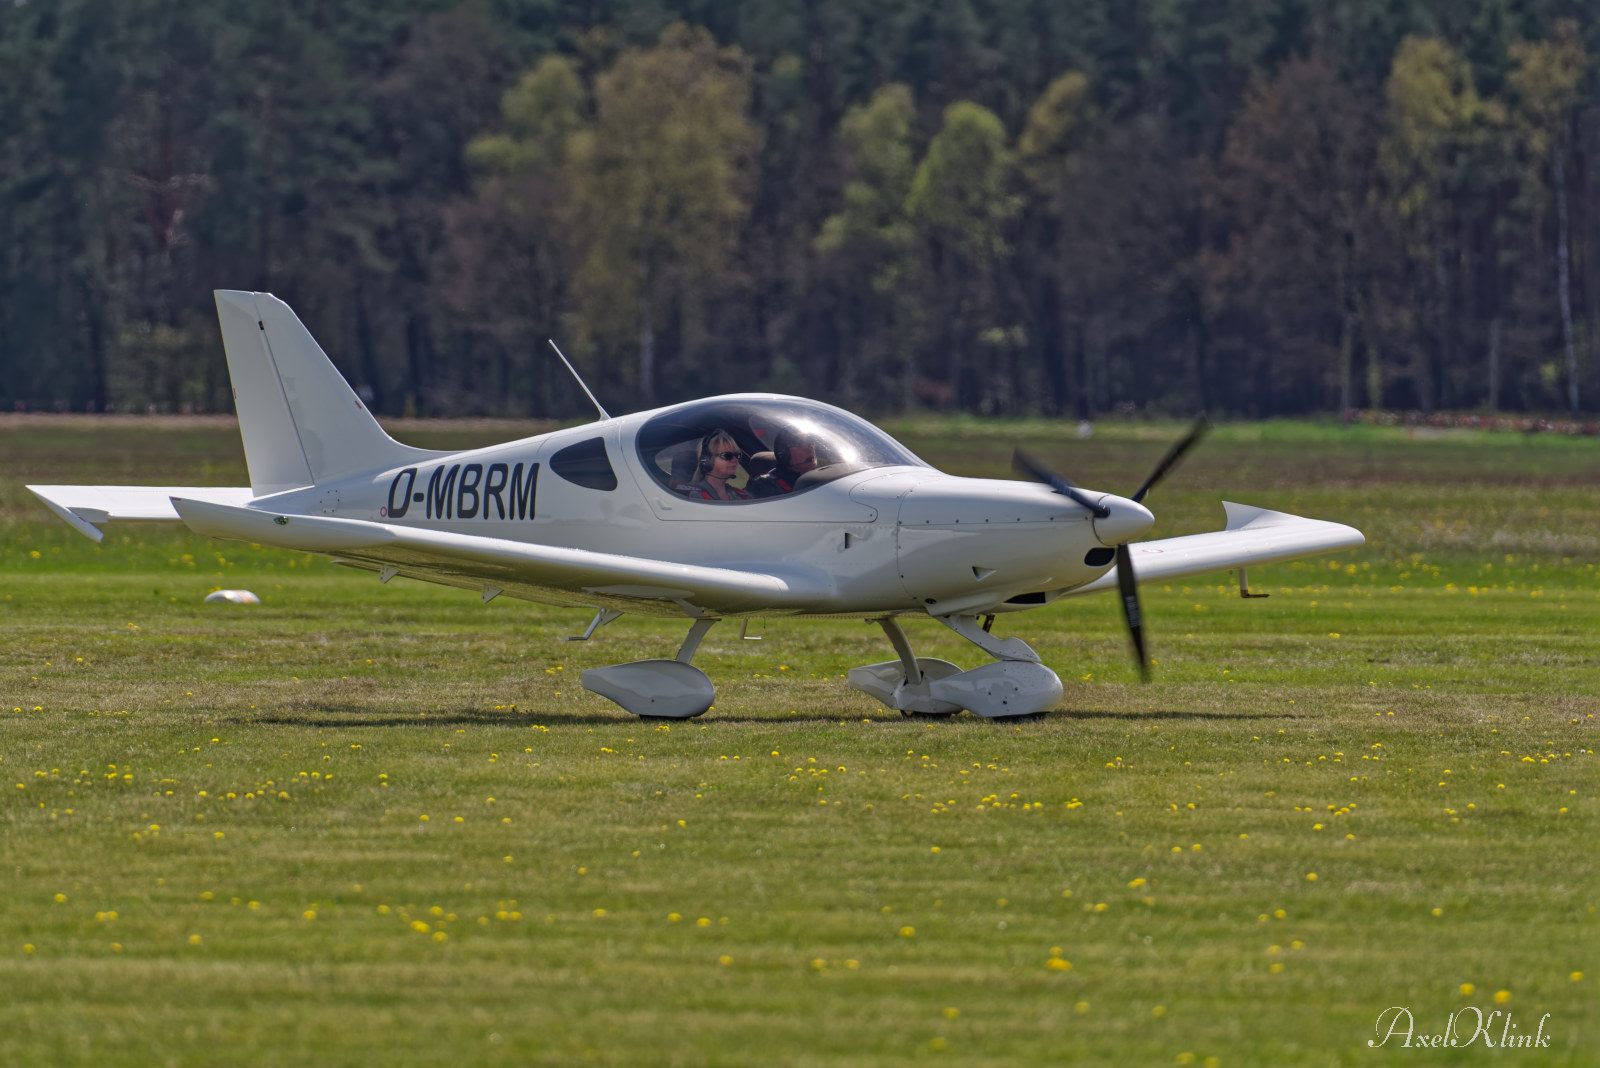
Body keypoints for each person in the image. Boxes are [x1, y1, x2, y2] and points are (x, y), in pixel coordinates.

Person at [680, 429, 750, 501]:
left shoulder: (741, 494)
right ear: (707, 460)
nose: (735, 460)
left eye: (737, 455)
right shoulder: (696, 496)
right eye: (727, 455)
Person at [748, 428, 818, 497]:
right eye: (802, 445)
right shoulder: (765, 486)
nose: (810, 448)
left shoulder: (819, 478)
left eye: (811, 442)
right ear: (784, 454)